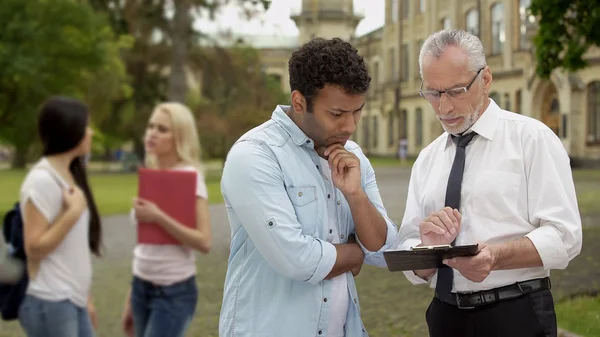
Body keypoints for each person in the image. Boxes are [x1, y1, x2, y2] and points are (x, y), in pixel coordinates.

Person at [396, 29, 582, 337]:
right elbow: (408, 246)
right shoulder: (427, 159)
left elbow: (566, 236)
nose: (444, 108)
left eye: (456, 91)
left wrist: (495, 257)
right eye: (432, 93)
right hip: (444, 317)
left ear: (485, 79)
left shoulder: (531, 139)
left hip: (515, 314)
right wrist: (426, 249)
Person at [218, 37, 398, 337]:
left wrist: (355, 195)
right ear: (299, 102)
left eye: (358, 111)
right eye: (337, 114)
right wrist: (356, 253)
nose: (350, 126)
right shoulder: (255, 155)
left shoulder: (354, 157)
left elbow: (384, 250)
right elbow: (297, 261)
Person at [121, 102, 212, 337]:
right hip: (140, 286)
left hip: (173, 292)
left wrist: (158, 217)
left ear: (179, 137)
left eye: (162, 129)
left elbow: (204, 242)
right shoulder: (150, 175)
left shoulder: (189, 178)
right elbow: (146, 243)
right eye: (151, 126)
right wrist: (130, 298)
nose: (152, 133)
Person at [18, 96, 103, 337]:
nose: (91, 132)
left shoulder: (68, 174)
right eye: (86, 126)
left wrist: (86, 298)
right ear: (70, 130)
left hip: (71, 299)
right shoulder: (42, 180)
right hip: (51, 299)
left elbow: (72, 250)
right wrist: (72, 213)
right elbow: (33, 248)